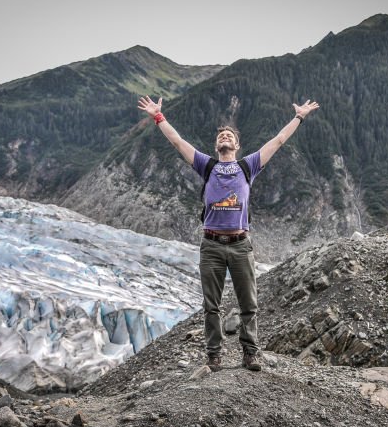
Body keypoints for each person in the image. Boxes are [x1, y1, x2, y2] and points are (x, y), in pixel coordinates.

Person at [137, 95, 320, 372]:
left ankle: (250, 353)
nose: (224, 137)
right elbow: (177, 141)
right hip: (211, 244)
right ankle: (213, 355)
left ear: (236, 145)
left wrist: (299, 116)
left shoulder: (248, 166)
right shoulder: (206, 165)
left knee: (248, 303)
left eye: (229, 135)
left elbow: (279, 141)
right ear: (216, 145)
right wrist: (158, 117)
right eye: (221, 135)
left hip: (240, 244)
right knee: (212, 305)